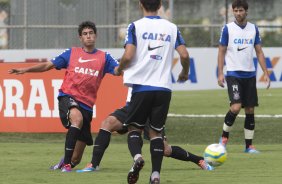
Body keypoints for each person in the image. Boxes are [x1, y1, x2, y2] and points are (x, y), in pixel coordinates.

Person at [8, 21, 119, 172]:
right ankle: (65, 166)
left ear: (96, 35)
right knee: (77, 118)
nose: (88, 36)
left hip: (87, 105)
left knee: (76, 159)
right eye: (85, 34)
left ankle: (65, 162)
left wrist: (128, 62)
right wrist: (25, 70)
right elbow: (47, 66)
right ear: (80, 38)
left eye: (91, 33)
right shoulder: (71, 53)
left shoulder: (104, 57)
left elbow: (118, 70)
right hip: (68, 96)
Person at [114, 0, 190, 183]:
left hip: (141, 87)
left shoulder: (135, 26)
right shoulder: (172, 27)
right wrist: (184, 72)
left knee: (134, 128)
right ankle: (155, 175)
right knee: (156, 133)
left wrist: (119, 68)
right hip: (163, 88)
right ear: (160, 5)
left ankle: (138, 158)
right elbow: (185, 55)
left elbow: (129, 54)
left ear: (140, 4)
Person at [50, 87, 213, 172]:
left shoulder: (151, 61)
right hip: (131, 106)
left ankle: (198, 159)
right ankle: (93, 164)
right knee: (107, 122)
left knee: (166, 150)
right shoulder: (131, 60)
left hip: (149, 109)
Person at [217, 0, 270, 154]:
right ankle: (224, 139)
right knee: (235, 106)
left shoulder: (253, 29)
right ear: (233, 12)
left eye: (241, 10)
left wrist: (266, 73)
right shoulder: (227, 29)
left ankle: (249, 146)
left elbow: (259, 52)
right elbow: (221, 51)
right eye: (236, 10)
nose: (238, 13)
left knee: (250, 109)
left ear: (246, 11)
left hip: (250, 74)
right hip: (234, 73)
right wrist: (220, 73)